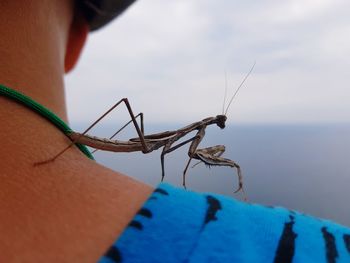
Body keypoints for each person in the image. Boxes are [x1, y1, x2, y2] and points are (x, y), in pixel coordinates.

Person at [0, 1, 349, 262]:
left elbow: (187, 151)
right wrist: (182, 183)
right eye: (219, 122)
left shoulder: (195, 135)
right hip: (130, 143)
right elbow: (174, 155)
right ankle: (65, 149)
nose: (219, 127)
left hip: (142, 145)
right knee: (129, 107)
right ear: (77, 39)